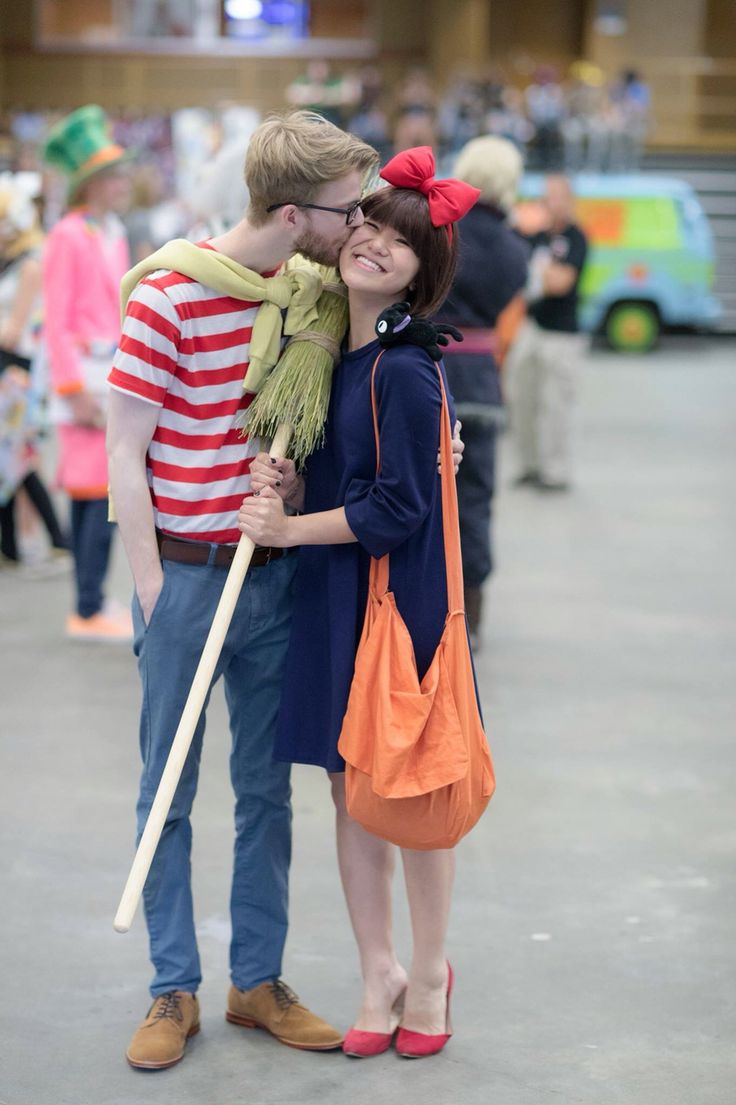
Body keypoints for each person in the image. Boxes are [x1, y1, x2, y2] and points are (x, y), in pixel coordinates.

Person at [106, 110, 378, 1071]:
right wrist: (150, 591)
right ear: (296, 211)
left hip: (274, 583)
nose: (360, 223)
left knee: (266, 793)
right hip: (183, 580)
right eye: (348, 209)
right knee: (167, 787)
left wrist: (293, 485)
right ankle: (170, 986)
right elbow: (124, 455)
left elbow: (313, 434)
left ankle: (255, 979)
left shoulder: (310, 305)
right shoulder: (169, 298)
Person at [238, 146, 482, 1060]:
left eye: (401, 240)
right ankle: (375, 966)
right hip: (334, 592)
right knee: (349, 789)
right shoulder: (329, 349)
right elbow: (352, 473)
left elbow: (399, 508)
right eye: (369, 225)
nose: (375, 243)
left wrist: (288, 531)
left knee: (409, 785)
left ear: (426, 270)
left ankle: (428, 970)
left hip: (396, 596)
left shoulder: (406, 365)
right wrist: (289, 484)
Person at [42, 105, 133, 639]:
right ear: (93, 183)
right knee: (95, 494)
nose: (124, 182)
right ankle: (87, 606)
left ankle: (90, 601)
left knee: (101, 492)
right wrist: (71, 386)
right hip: (82, 377)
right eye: (114, 174)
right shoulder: (69, 234)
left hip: (111, 373)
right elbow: (55, 317)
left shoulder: (111, 230)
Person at [435, 136, 529, 646]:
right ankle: (471, 616)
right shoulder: (515, 248)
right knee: (475, 500)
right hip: (483, 382)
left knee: (422, 492)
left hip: (429, 371)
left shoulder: (442, 232)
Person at [0, 171, 69, 569]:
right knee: (9, 461)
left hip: (17, 373)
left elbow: (14, 331)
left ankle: (58, 539)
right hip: (7, 372)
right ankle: (10, 546)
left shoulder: (29, 265)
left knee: (20, 462)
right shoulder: (11, 262)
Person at [506, 174, 588, 492]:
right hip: (532, 327)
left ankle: (556, 472)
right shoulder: (536, 237)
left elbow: (561, 284)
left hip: (561, 335)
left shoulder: (576, 238)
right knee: (520, 395)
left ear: (569, 201)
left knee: (555, 404)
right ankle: (529, 465)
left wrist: (537, 274)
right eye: (545, 196)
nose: (547, 202)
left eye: (555, 196)